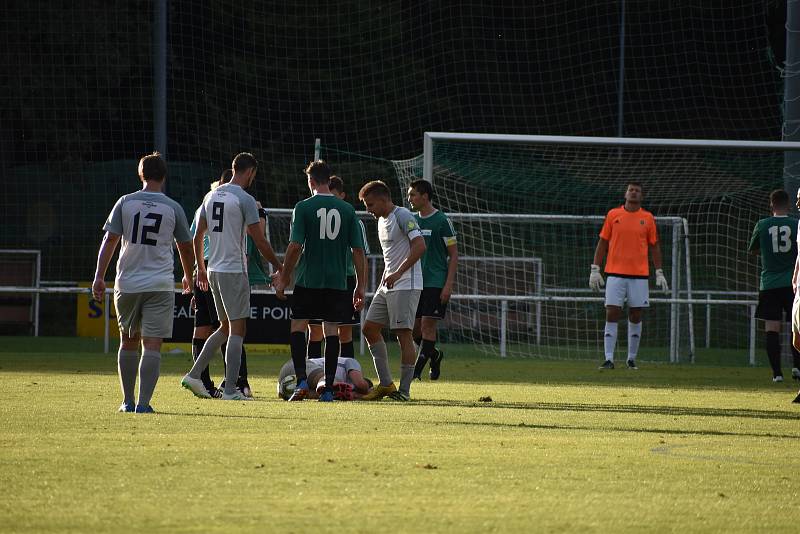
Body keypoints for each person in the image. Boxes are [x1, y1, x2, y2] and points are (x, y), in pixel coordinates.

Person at [92, 152, 195, 413]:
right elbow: (185, 245)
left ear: (141, 175)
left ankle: (127, 401)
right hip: (159, 283)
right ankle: (144, 403)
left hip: (127, 283)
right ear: (164, 176)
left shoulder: (125, 202)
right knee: (152, 344)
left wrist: (99, 276)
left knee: (127, 341)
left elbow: (109, 241)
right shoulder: (173, 207)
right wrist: (188, 276)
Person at [181, 152, 282, 401]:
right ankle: (229, 391)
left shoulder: (211, 194)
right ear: (249, 172)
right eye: (253, 176)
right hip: (233, 270)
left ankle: (194, 375)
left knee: (226, 327)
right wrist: (280, 266)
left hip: (213, 270)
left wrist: (200, 269)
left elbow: (197, 236)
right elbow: (259, 239)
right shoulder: (244, 199)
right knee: (238, 329)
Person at [274, 160, 367, 402]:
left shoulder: (303, 207)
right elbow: (358, 251)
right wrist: (360, 285)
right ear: (329, 179)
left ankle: (302, 381)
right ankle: (327, 391)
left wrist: (284, 277)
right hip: (337, 282)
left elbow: (295, 246)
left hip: (308, 280)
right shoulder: (348, 210)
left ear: (311, 181)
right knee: (331, 331)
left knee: (298, 327)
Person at [358, 180, 426, 401]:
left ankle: (404, 391)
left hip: (406, 284)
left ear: (383, 199)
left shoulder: (404, 215)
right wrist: (387, 277)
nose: (368, 210)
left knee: (403, 335)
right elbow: (391, 257)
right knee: (369, 328)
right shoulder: (381, 221)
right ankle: (386, 384)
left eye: (370, 204)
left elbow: (420, 246)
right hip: (388, 285)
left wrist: (397, 273)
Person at [589, 181, 668, 370]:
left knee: (636, 313)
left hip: (639, 275)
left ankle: (631, 359)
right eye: (631, 190)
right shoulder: (613, 214)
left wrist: (659, 271)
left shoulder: (647, 218)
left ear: (642, 196)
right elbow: (603, 242)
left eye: (637, 191)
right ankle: (608, 359)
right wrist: (595, 268)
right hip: (615, 273)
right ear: (625, 194)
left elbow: (654, 245)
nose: (633, 193)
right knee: (612, 312)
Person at [306, 175, 371, 361]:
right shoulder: (314, 215)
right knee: (316, 331)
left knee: (344, 332)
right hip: (317, 280)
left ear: (342, 196)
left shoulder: (353, 220)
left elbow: (362, 255)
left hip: (344, 281)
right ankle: (315, 374)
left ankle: (345, 377)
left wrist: (361, 286)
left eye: (334, 196)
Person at [407, 179, 458, 381]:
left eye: (412, 195)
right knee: (413, 330)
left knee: (428, 326)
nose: (409, 198)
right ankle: (434, 354)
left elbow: (453, 255)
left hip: (435, 282)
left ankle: (415, 372)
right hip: (415, 282)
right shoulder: (412, 221)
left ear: (425, 196)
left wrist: (448, 285)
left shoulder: (442, 221)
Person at [748, 189, 800, 383]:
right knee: (796, 326)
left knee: (772, 328)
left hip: (769, 284)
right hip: (792, 284)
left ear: (771, 205)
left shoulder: (762, 225)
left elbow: (753, 250)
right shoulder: (796, 224)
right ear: (787, 204)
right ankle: (797, 367)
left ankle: (777, 374)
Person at [276, 356, 372, 400]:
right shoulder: (352, 362)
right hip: (298, 366)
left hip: (285, 384)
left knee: (327, 393)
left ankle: (298, 393)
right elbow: (361, 384)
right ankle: (324, 385)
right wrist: (370, 392)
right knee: (327, 381)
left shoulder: (345, 386)